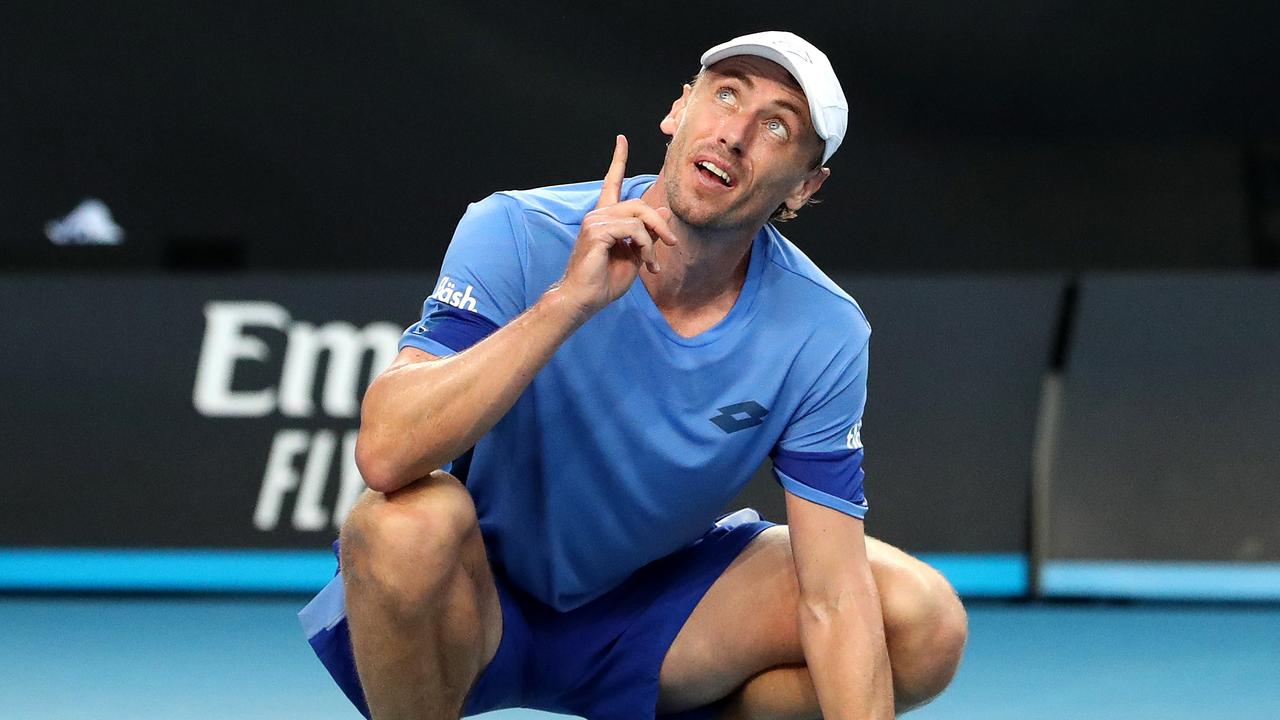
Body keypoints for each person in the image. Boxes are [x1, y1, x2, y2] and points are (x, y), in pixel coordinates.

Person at [300, 30, 967, 720]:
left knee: (922, 625)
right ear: (680, 111)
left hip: (659, 619)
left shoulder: (822, 329)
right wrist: (567, 304)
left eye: (776, 125)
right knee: (396, 527)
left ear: (805, 186)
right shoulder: (517, 229)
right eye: (726, 94)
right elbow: (385, 452)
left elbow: (833, 594)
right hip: (479, 607)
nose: (735, 133)